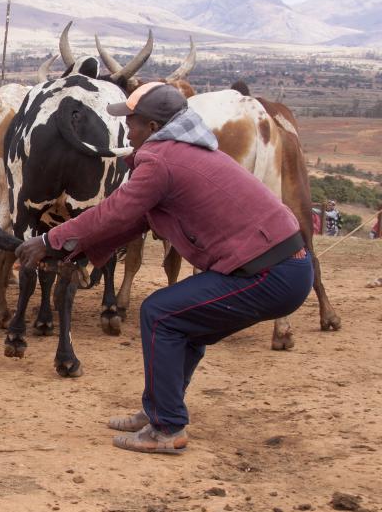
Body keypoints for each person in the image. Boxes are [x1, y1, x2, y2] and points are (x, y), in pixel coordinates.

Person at [16, 82, 313, 454]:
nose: (126, 129)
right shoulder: (182, 153)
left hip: (271, 273)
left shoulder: (161, 161)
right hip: (281, 267)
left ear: (154, 128)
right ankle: (160, 410)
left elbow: (114, 212)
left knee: (160, 313)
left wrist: (48, 241)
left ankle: (167, 428)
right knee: (185, 326)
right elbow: (135, 221)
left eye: (133, 122)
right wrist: (76, 255)